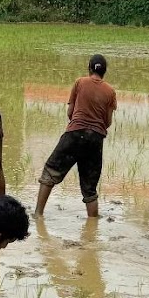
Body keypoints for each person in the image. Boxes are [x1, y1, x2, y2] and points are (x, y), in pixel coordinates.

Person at [35, 53, 116, 220]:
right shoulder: (110, 91)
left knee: (50, 171)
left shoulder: (80, 83)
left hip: (74, 133)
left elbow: (70, 112)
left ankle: (38, 214)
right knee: (90, 188)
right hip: (95, 140)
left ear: (89, 68)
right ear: (104, 72)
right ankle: (92, 225)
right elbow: (107, 122)